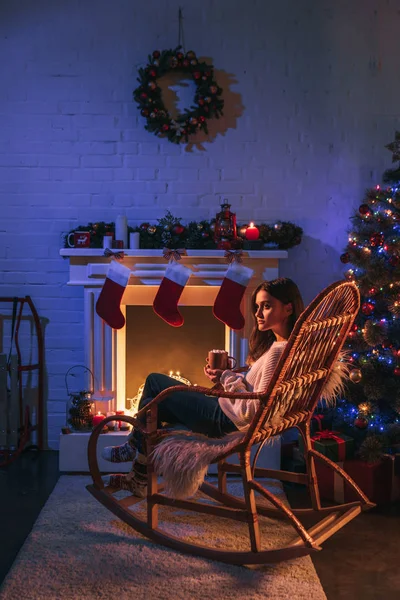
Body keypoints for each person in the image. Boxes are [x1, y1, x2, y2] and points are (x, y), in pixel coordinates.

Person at [102, 277, 304, 497]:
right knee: (156, 402)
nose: (258, 313)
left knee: (154, 382)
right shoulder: (286, 347)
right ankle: (139, 466)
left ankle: (135, 451)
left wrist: (226, 376)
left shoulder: (278, 352)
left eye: (266, 306)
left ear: (288, 308)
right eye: (257, 306)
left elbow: (252, 409)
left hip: (223, 420)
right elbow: (256, 392)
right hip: (225, 412)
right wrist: (227, 377)